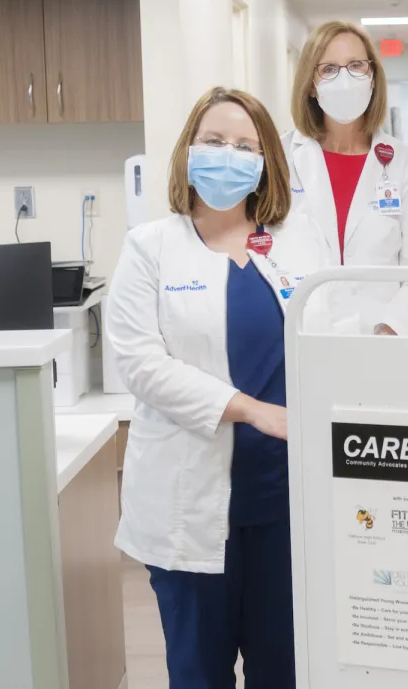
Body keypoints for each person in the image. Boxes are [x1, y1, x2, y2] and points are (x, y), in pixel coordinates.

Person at [107, 87, 348, 689]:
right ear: (188, 151)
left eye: (245, 146)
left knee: (286, 671)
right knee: (199, 674)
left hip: (284, 502)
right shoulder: (150, 249)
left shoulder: (300, 239)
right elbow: (139, 363)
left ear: (266, 161)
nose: (228, 155)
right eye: (214, 142)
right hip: (188, 505)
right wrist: (248, 410)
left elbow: (333, 339)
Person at [284, 20, 408, 335]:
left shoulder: (405, 164)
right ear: (311, 85)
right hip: (300, 338)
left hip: (381, 342)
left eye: (356, 66)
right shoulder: (281, 157)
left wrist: (390, 328)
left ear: (373, 78)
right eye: (328, 69)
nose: (345, 79)